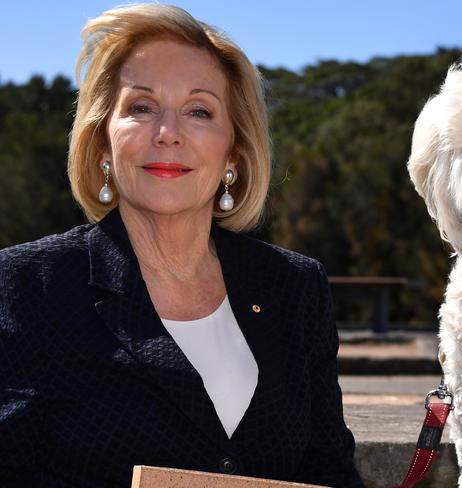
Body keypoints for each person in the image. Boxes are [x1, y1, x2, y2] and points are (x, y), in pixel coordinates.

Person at [0, 4, 363, 487]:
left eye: (198, 110)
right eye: (141, 107)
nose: (168, 134)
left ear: (233, 151)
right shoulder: (24, 287)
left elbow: (329, 469)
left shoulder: (295, 288)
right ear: (103, 141)